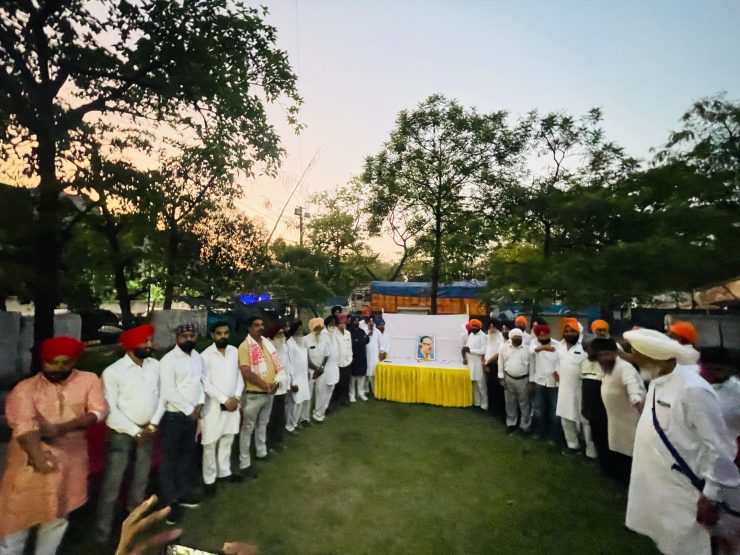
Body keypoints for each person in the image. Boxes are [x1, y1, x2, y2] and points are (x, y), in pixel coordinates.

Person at [624, 328, 740, 555]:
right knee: (669, 539)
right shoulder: (658, 379)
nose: (633, 359)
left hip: (687, 486)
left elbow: (718, 446)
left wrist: (711, 496)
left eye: (635, 354)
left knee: (692, 543)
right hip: (664, 484)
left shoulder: (693, 389)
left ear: (651, 356)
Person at [0, 337, 107, 555]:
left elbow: (98, 411)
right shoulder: (25, 389)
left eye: (65, 363)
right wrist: (37, 456)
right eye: (52, 362)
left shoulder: (88, 380)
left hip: (69, 463)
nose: (58, 368)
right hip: (28, 468)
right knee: (15, 523)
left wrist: (63, 428)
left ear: (74, 361)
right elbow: (25, 425)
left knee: (57, 519)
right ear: (42, 361)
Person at [96, 324, 164, 545]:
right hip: (122, 434)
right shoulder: (113, 372)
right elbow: (110, 410)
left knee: (140, 481)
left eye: (149, 340)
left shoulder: (155, 365)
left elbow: (162, 396)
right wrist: (136, 432)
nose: (149, 345)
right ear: (131, 345)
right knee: (112, 485)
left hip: (148, 430)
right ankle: (103, 533)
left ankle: (133, 526)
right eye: (145, 341)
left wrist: (152, 425)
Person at [158, 322, 206, 523]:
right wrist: (189, 410)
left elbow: (200, 382)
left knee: (187, 456)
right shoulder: (168, 360)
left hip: (192, 415)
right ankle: (170, 502)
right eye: (184, 336)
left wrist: (200, 403)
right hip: (175, 416)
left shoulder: (197, 357)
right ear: (177, 338)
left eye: (191, 335)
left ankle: (182, 492)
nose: (188, 339)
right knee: (170, 460)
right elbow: (168, 391)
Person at [592, 337, 646, 485]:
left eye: (607, 354)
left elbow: (632, 386)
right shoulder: (607, 368)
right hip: (616, 420)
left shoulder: (624, 367)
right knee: (619, 451)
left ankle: (633, 485)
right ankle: (621, 481)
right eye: (600, 355)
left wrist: (636, 399)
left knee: (632, 453)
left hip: (631, 420)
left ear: (615, 353)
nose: (604, 358)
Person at [199, 321, 244, 496]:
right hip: (214, 407)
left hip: (233, 404)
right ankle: (209, 479)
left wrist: (237, 397)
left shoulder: (234, 351)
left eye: (226, 333)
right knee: (210, 443)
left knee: (228, 437)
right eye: (219, 333)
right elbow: (206, 384)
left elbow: (239, 376)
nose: (223, 336)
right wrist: (225, 400)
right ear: (212, 335)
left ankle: (224, 471)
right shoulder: (205, 356)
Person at [237, 315, 284, 478]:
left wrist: (276, 382)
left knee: (263, 423)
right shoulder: (245, 346)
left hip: (269, 392)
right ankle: (244, 463)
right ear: (249, 328)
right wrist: (265, 385)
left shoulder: (267, 344)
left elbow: (277, 365)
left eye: (262, 324)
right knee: (247, 428)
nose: (260, 327)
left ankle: (261, 451)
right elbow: (246, 371)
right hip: (254, 394)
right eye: (256, 325)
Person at [699, 348, 740, 466]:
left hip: (726, 458)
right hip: (693, 454)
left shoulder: (736, 393)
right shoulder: (692, 385)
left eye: (702, 366)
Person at [555, 318, 590, 454]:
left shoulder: (585, 346)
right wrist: (556, 372)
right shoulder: (560, 346)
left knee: (585, 421)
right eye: (567, 331)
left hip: (581, 389)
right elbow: (558, 362)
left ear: (578, 332)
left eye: (572, 331)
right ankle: (573, 445)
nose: (569, 333)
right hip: (564, 389)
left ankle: (590, 450)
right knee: (566, 418)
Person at [580, 334, 610, 469]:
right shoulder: (583, 363)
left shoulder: (607, 363)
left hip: (603, 405)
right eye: (589, 347)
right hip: (589, 405)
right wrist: (583, 404)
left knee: (604, 434)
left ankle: (606, 464)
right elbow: (584, 385)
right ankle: (597, 459)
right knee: (594, 433)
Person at [498, 328, 532, 434]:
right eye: (516, 336)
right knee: (510, 403)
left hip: (523, 380)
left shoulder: (527, 349)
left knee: (524, 404)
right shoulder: (504, 348)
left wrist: (531, 381)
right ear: (511, 338)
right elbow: (500, 362)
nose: (518, 338)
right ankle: (511, 424)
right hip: (508, 378)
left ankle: (524, 426)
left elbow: (532, 366)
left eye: (520, 336)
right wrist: (501, 376)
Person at [530, 323, 560, 442]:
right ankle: (538, 432)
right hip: (539, 381)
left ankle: (553, 435)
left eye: (545, 335)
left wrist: (557, 371)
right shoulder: (534, 343)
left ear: (549, 334)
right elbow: (532, 351)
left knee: (554, 409)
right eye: (540, 335)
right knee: (538, 408)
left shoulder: (557, 344)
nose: (543, 337)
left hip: (554, 383)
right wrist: (544, 347)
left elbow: (560, 360)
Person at [313, 315, 340, 422]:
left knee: (329, 391)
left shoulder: (335, 333)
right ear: (327, 323)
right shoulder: (322, 334)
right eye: (331, 322)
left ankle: (322, 411)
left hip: (334, 368)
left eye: (334, 323)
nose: (333, 325)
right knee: (320, 392)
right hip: (323, 368)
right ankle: (317, 414)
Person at [266, 323, 289, 450]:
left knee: (280, 416)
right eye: (279, 334)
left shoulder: (284, 346)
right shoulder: (267, 348)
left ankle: (278, 439)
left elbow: (287, 365)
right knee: (270, 417)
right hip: (272, 388)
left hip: (282, 388)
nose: (282, 336)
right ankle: (268, 444)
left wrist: (287, 383)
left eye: (282, 333)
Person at [284, 320, 310, 433]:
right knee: (292, 404)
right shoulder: (289, 344)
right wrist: (292, 382)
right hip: (294, 379)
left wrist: (307, 372)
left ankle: (295, 422)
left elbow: (304, 359)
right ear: (293, 331)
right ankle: (289, 426)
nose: (300, 332)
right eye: (297, 330)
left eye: (301, 330)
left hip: (303, 377)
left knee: (300, 401)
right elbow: (289, 364)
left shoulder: (302, 342)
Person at [304, 317, 329, 424]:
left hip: (321, 371)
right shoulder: (305, 339)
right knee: (308, 395)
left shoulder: (325, 338)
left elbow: (327, 354)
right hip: (310, 371)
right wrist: (315, 369)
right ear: (312, 328)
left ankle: (318, 415)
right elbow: (305, 358)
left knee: (321, 393)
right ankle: (305, 418)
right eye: (316, 327)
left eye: (320, 327)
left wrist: (321, 367)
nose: (318, 330)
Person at [329, 314, 353, 413]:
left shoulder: (348, 333)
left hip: (347, 362)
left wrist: (350, 357)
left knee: (345, 383)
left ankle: (344, 400)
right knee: (336, 384)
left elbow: (349, 347)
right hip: (337, 363)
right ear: (337, 323)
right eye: (341, 322)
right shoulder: (333, 333)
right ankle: (333, 403)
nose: (342, 324)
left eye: (344, 322)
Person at [464, 319, 488, 411]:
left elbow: (483, 351)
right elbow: (467, 347)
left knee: (481, 385)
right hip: (471, 363)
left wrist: (470, 351)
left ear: (479, 327)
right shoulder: (471, 335)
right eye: (472, 326)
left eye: (475, 326)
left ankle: (484, 405)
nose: (473, 328)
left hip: (479, 363)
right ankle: (477, 403)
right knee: (474, 384)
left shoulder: (483, 336)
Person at [484, 319, 506, 421]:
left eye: (493, 326)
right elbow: (484, 350)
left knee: (498, 388)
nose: (492, 328)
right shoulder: (487, 336)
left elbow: (498, 353)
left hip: (496, 365)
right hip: (487, 365)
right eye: (490, 326)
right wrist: (484, 363)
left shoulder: (500, 336)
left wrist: (487, 363)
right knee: (490, 388)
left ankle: (498, 410)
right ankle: (491, 409)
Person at [348, 315, 369, 402]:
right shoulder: (349, 332)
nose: (356, 322)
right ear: (352, 322)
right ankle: (352, 395)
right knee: (352, 378)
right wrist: (358, 340)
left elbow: (366, 340)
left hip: (362, 357)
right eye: (355, 320)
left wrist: (365, 337)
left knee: (362, 376)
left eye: (357, 320)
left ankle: (361, 393)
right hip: (353, 357)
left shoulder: (362, 331)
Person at [365, 317, 380, 395]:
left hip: (375, 355)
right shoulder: (364, 331)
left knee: (374, 372)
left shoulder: (378, 332)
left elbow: (381, 343)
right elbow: (363, 341)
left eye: (372, 321)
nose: (371, 323)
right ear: (367, 322)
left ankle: (375, 391)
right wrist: (368, 334)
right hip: (366, 355)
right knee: (366, 373)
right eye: (369, 321)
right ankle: (366, 390)